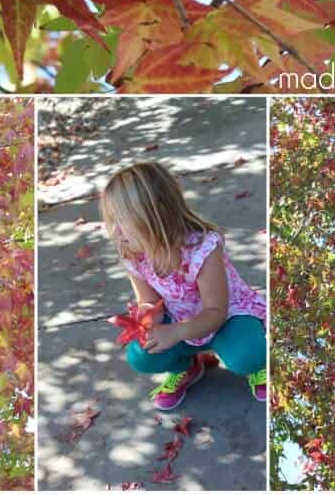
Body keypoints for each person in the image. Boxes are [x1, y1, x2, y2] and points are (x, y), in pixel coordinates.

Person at [100, 161, 266, 410]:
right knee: (140, 356)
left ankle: (259, 367)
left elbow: (216, 313)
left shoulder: (202, 248)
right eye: (111, 221)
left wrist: (175, 332)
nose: (115, 231)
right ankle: (188, 367)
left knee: (248, 355)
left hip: (227, 319)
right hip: (178, 320)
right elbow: (148, 300)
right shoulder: (133, 254)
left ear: (154, 215)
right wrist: (149, 317)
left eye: (121, 220)